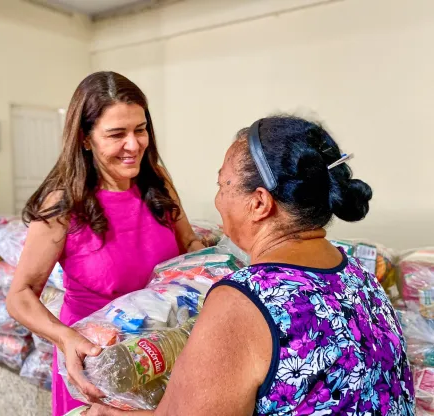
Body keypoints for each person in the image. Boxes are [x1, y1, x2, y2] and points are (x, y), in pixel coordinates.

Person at [84, 116, 415, 416]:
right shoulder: (359, 274)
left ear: (259, 203)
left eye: (222, 185)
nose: (218, 199)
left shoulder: (244, 300)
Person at [6, 71, 205, 415]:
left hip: (164, 351)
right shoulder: (63, 204)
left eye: (140, 129)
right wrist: (65, 338)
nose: (134, 145)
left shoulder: (156, 181)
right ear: (84, 139)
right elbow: (20, 294)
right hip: (99, 364)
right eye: (116, 134)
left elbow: (188, 243)